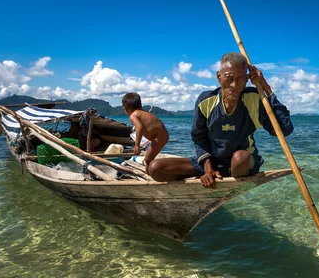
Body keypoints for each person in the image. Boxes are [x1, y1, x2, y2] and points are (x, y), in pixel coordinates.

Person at [147, 52, 294, 188]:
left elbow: (284, 129)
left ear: (247, 79)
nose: (235, 85)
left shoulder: (255, 99)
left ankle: (228, 179)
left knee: (240, 158)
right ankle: (210, 175)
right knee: (156, 169)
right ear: (219, 77)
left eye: (241, 79)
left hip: (241, 164)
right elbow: (199, 137)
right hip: (213, 161)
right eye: (229, 78)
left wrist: (266, 87)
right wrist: (207, 166)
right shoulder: (206, 101)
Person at [122, 92, 170, 169]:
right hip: (161, 135)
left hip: (158, 137)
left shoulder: (133, 115)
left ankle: (150, 175)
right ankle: (151, 172)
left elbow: (139, 127)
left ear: (125, 108)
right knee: (149, 158)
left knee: (148, 159)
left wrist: (136, 145)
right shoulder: (143, 112)